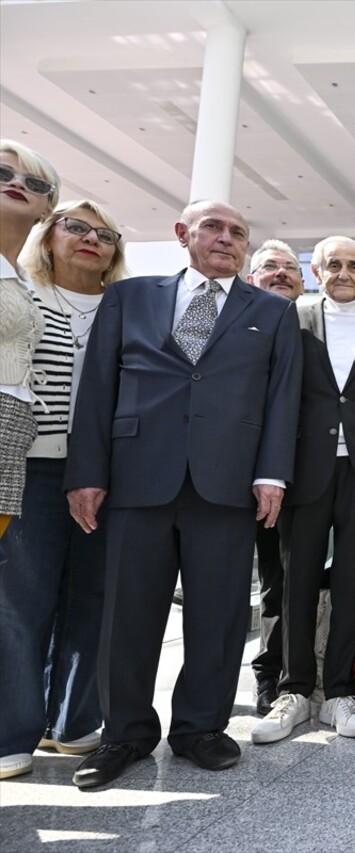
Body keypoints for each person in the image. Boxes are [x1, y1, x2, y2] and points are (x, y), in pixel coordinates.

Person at [65, 200, 303, 790]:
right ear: (183, 234)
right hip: (136, 475)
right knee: (127, 613)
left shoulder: (272, 314)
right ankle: (124, 734)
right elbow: (97, 386)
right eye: (214, 228)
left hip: (225, 482)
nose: (227, 239)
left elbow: (282, 401)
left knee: (219, 615)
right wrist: (86, 472)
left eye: (239, 233)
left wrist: (272, 473)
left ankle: (200, 728)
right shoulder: (129, 296)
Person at [252, 236, 355, 745]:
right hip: (304, 468)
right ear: (317, 271)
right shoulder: (291, 319)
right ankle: (295, 690)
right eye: (334, 265)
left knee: (351, 580)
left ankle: (341, 691)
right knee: (296, 579)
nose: (344, 272)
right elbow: (273, 394)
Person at [2, 199, 124, 782]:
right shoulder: (21, 292)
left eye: (104, 234)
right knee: (22, 603)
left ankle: (74, 723)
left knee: (92, 602)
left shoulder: (127, 307)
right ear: (49, 236)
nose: (90, 239)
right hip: (33, 467)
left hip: (108, 474)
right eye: (76, 227)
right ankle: (11, 732)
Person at [244, 239, 305, 715]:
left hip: (292, 479)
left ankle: (276, 676)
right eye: (270, 267)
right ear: (251, 277)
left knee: (279, 581)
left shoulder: (313, 331)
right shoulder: (235, 324)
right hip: (224, 474)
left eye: (290, 268)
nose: (281, 273)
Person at [0, 140, 58, 548]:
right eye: (3, 174)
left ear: (47, 207)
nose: (17, 183)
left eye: (33, 182)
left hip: (14, 428)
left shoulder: (21, 278)